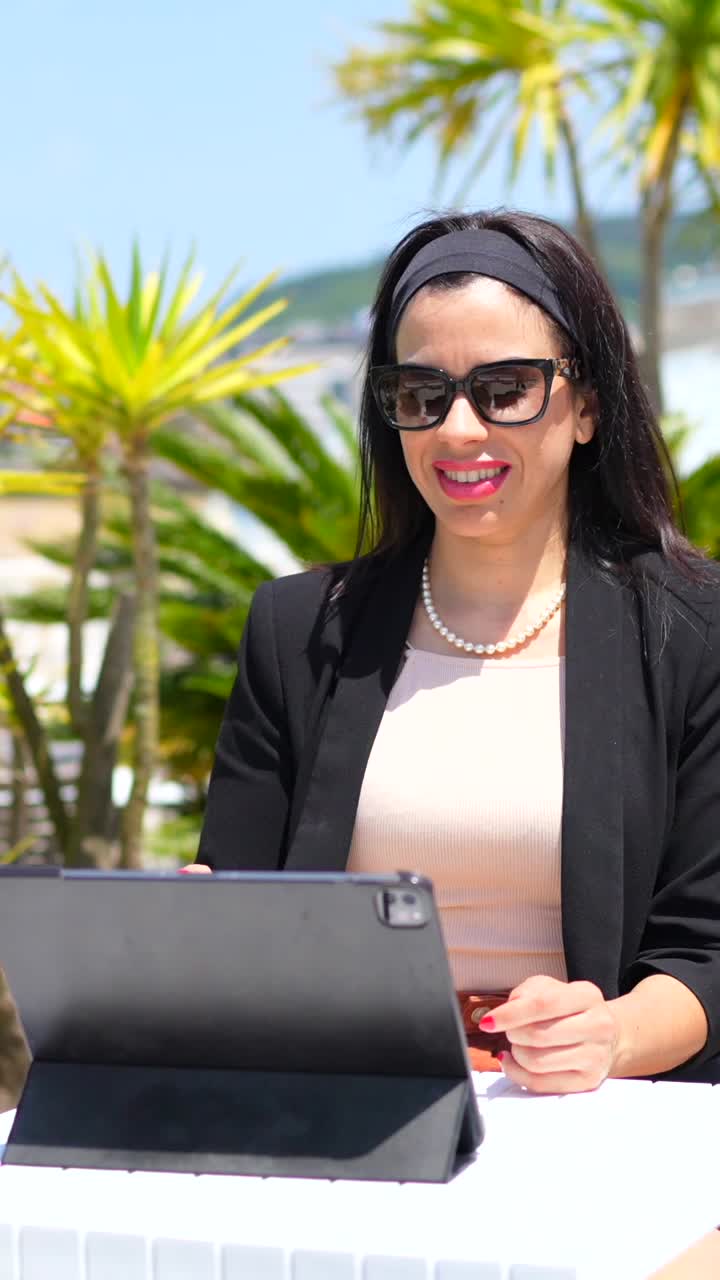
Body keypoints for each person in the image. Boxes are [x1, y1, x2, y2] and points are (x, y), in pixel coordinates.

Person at [191, 209, 720, 1093]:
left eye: (504, 387)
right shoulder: (297, 633)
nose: (458, 430)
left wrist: (609, 1037)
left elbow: (707, 950)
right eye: (420, 393)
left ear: (586, 404)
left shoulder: (691, 633)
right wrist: (187, 933)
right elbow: (239, 906)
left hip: (595, 1127)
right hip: (346, 1114)